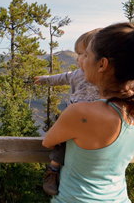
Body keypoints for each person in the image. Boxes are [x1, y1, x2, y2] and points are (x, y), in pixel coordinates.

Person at [43, 22, 134, 202]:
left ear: (102, 64)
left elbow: (48, 142)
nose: (82, 61)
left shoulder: (81, 112)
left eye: (87, 55)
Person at [34, 29, 101, 195]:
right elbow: (60, 78)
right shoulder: (76, 75)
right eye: (77, 54)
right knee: (60, 142)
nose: (78, 58)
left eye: (82, 54)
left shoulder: (106, 80)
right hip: (72, 118)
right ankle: (53, 170)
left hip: (95, 121)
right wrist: (43, 80)